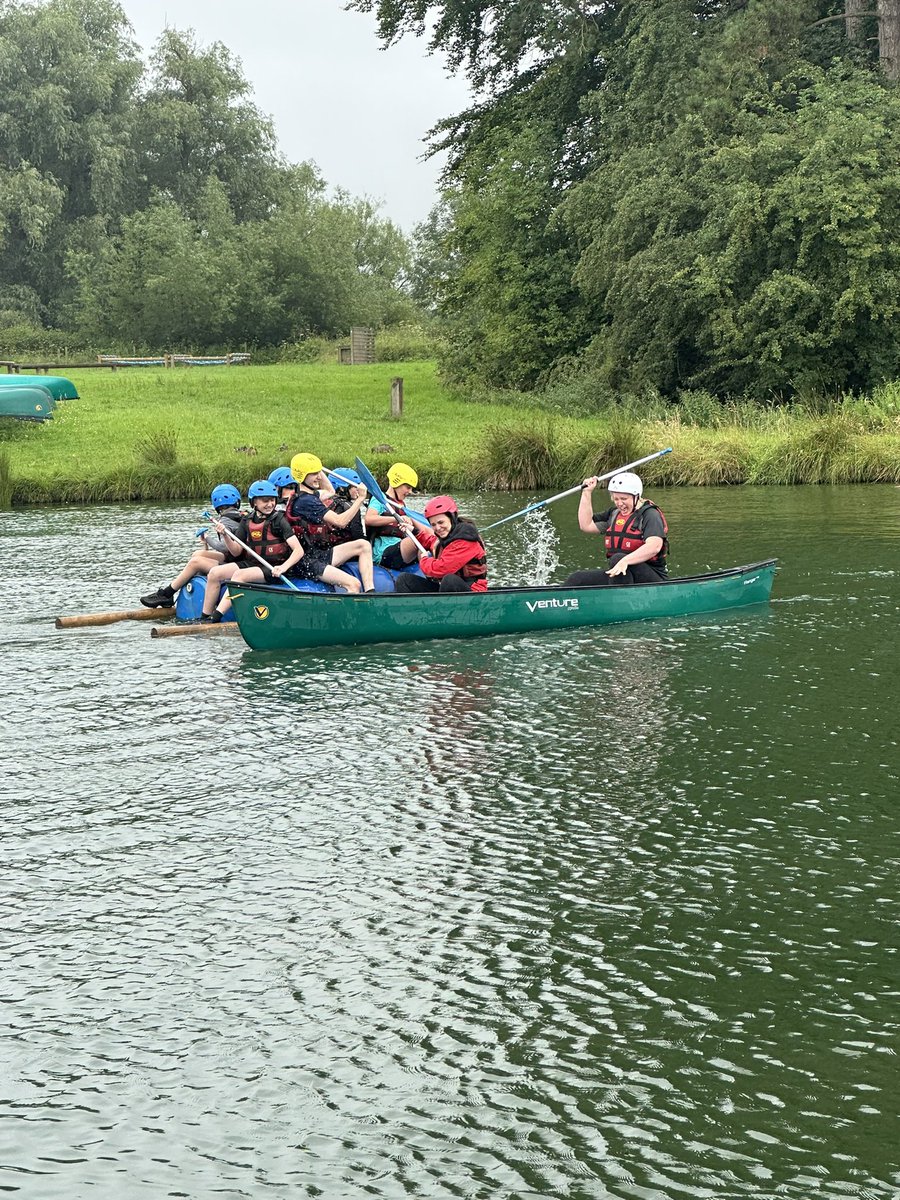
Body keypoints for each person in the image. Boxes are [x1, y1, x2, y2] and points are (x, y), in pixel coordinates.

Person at [200, 479, 304, 622]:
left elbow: (299, 550)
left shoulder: (279, 520)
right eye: (265, 501)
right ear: (254, 502)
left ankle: (216, 617)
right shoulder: (247, 520)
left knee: (239, 575)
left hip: (274, 567)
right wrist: (225, 535)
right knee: (214, 573)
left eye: (272, 500)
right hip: (254, 563)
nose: (270, 504)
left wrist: (283, 567)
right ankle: (204, 617)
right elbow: (236, 552)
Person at [139, 483, 243, 608]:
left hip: (236, 562)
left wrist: (208, 538)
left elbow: (223, 547)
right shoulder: (241, 515)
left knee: (195, 562)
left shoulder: (224, 520)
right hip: (235, 557)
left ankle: (167, 594)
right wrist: (205, 545)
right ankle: (194, 588)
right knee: (197, 554)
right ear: (237, 501)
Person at [285, 452, 376, 592]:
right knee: (354, 584)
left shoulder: (310, 495)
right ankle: (352, 613)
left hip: (318, 554)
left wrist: (318, 467)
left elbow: (330, 490)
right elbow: (340, 521)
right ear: (302, 476)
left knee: (363, 545)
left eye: (318, 473)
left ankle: (371, 592)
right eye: (313, 473)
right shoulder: (305, 502)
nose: (319, 477)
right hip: (306, 562)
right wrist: (360, 499)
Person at [564, 471, 668, 586]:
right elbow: (586, 525)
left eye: (624, 498)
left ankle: (621, 600)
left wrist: (625, 561)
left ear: (636, 496)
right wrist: (586, 492)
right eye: (616, 499)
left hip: (653, 578)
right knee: (576, 579)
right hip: (620, 573)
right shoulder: (613, 514)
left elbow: (654, 546)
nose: (620, 503)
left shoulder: (650, 514)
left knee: (617, 558)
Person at [394, 495, 488, 593]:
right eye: (433, 525)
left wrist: (424, 560)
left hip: (472, 591)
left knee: (449, 580)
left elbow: (442, 569)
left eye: (441, 522)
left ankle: (442, 607)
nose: (438, 528)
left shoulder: (465, 541)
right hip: (449, 589)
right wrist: (414, 531)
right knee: (404, 580)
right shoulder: (449, 535)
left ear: (452, 518)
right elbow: (432, 542)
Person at [364, 461, 422, 570]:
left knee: (426, 539)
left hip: (400, 548)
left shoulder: (401, 505)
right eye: (408, 487)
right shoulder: (379, 498)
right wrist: (396, 518)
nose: (410, 491)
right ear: (396, 483)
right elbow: (369, 519)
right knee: (419, 539)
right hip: (382, 553)